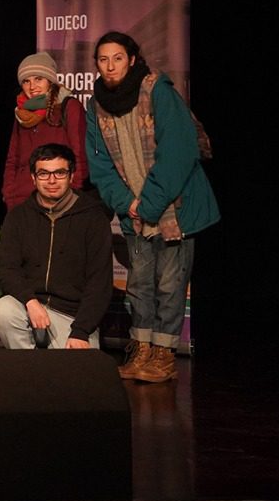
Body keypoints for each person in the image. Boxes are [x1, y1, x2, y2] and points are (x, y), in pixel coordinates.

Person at [87, 31, 218, 383]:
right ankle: (141, 347)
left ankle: (164, 354)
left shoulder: (157, 90)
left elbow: (179, 151)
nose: (110, 65)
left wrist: (149, 203)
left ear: (131, 59)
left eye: (117, 58)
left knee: (170, 283)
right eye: (103, 59)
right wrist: (127, 203)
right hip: (134, 209)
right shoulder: (96, 104)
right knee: (140, 284)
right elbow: (98, 164)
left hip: (174, 207)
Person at [0, 144, 113, 352]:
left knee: (77, 376)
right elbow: (8, 269)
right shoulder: (19, 216)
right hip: (30, 308)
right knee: (3, 311)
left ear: (71, 176)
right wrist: (30, 301)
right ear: (33, 178)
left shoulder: (93, 218)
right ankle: (29, 369)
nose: (52, 180)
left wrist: (81, 330)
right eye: (44, 173)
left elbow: (99, 283)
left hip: (72, 317)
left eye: (59, 173)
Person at [3, 52, 89, 209]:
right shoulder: (21, 113)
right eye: (26, 81)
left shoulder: (69, 107)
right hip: (22, 200)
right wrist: (9, 195)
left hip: (57, 199)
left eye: (38, 79)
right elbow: (12, 159)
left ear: (50, 80)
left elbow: (80, 156)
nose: (32, 86)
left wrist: (72, 196)